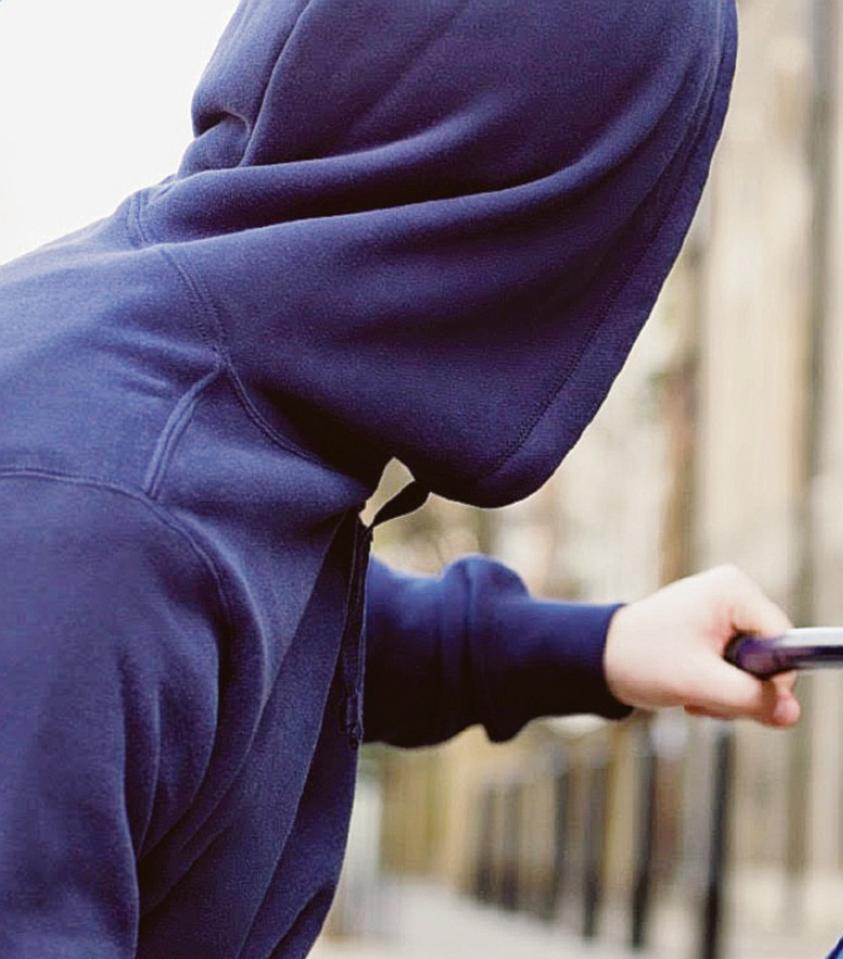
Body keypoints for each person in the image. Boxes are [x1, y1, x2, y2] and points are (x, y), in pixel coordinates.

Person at [0, 1, 799, 956]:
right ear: (517, 202)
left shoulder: (205, 398)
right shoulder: (101, 517)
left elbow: (254, 629)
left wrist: (600, 645)